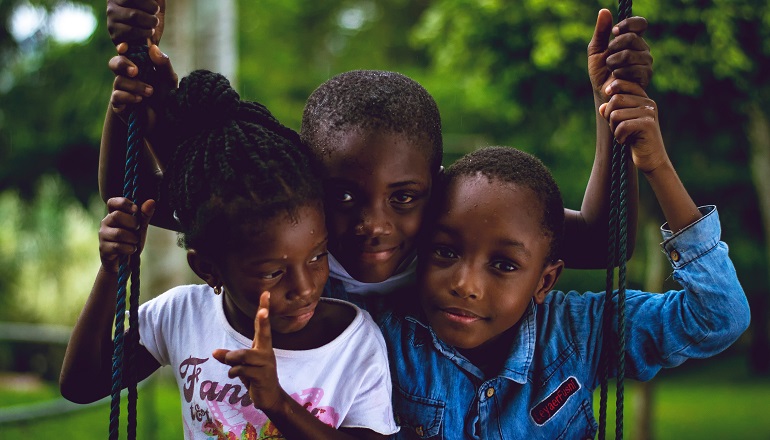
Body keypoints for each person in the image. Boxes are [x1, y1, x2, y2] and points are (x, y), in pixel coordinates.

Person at [98, 4, 651, 316]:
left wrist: (611, 112)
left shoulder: (451, 224)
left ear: (434, 185)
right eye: (342, 196)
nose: (374, 224)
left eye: (404, 197)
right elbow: (141, 198)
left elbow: (607, 242)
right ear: (311, 183)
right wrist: (135, 85)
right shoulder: (282, 228)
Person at [378, 80, 751, 438]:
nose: (465, 285)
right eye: (446, 252)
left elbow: (717, 316)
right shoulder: (386, 338)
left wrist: (656, 165)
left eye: (504, 265)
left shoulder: (581, 332)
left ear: (544, 281)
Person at [60, 70, 398, 440]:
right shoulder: (183, 316)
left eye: (317, 257)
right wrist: (113, 271)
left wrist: (278, 404)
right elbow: (82, 384)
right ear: (207, 269)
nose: (304, 287)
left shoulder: (354, 342)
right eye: (272, 272)